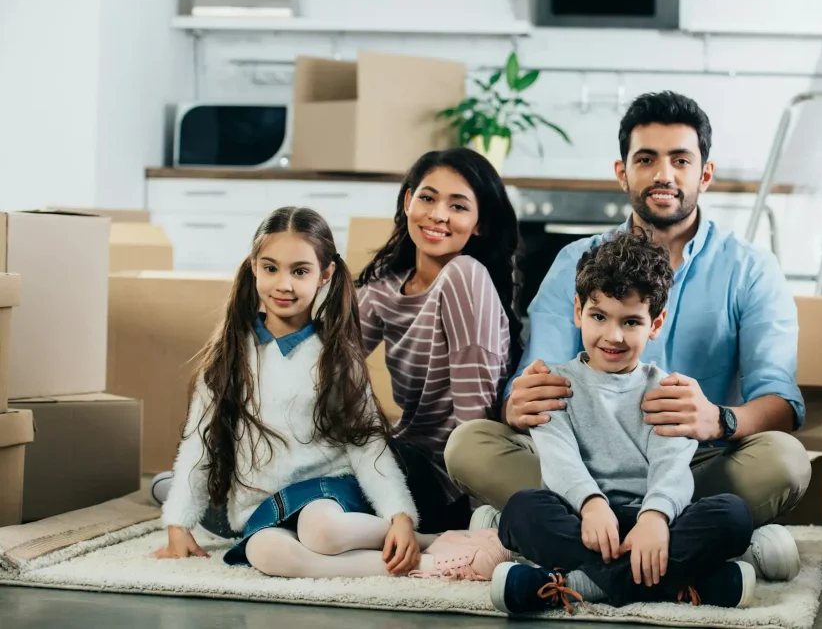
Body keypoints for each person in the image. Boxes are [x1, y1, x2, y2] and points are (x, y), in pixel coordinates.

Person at [446, 91, 811, 579]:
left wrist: (717, 419)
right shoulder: (574, 262)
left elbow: (781, 402)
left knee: (786, 461)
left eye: (680, 160)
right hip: (578, 463)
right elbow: (533, 385)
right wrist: (519, 401)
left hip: (693, 463)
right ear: (623, 172)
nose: (664, 174)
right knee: (468, 445)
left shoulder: (751, 269)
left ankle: (557, 543)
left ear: (704, 174)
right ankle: (700, 549)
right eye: (647, 159)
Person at [153, 206, 512, 582]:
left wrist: (400, 517)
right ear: (253, 267)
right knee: (265, 552)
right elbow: (199, 442)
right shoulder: (228, 357)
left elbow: (368, 445)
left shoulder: (336, 358)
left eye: (300, 271)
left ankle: (424, 538)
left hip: (327, 491)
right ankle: (433, 563)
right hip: (260, 504)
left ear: (325, 275)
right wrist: (178, 524)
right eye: (270, 268)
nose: (284, 284)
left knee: (322, 531)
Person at [490, 231, 763, 614]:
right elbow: (558, 459)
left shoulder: (666, 391)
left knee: (732, 516)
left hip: (653, 524)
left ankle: (580, 583)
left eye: (631, 322)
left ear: (655, 323)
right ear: (577, 311)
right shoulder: (555, 384)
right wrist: (590, 503)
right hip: (579, 517)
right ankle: (687, 583)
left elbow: (672, 468)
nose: (613, 336)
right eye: (598, 316)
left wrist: (655, 517)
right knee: (522, 510)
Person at [355, 147, 524, 534]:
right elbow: (326, 366)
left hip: (457, 481)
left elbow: (474, 425)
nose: (438, 215)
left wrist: (481, 518)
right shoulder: (384, 287)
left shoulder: (467, 276)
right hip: (405, 459)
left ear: (479, 224)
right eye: (427, 198)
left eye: (459, 206)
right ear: (408, 201)